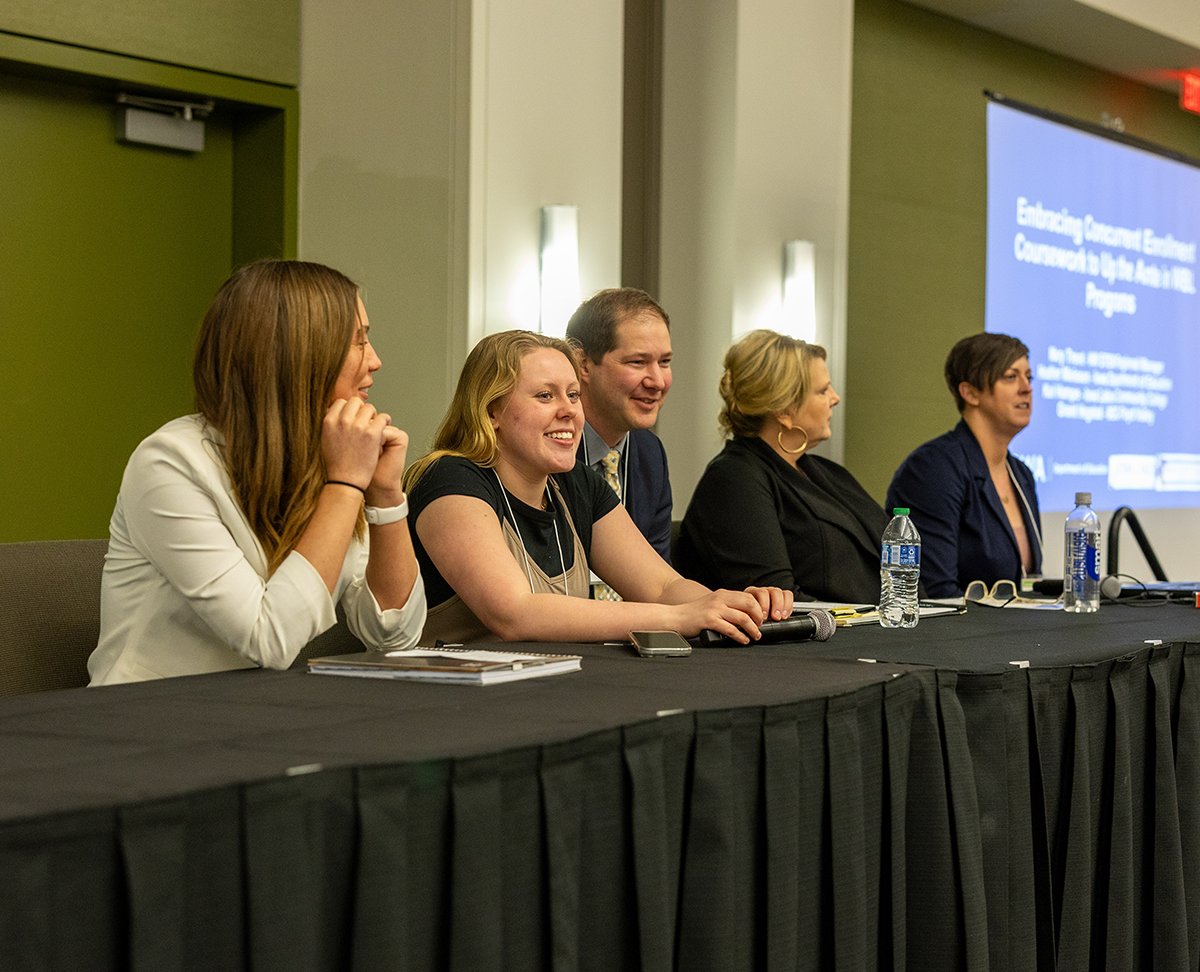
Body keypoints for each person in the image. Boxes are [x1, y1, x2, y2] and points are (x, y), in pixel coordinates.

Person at [89, 260, 426, 685]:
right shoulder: (169, 462)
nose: (375, 361)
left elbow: (394, 636)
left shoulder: (328, 457)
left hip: (259, 713)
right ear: (299, 354)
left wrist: (385, 496)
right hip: (145, 723)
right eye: (358, 342)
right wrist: (344, 486)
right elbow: (270, 640)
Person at [404, 330, 792, 644]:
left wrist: (731, 606)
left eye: (573, 395)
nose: (569, 410)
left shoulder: (575, 483)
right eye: (545, 395)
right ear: (491, 412)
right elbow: (515, 613)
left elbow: (661, 586)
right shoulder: (449, 479)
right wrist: (678, 618)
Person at [675, 329, 890, 604]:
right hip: (819, 642)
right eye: (823, 390)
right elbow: (778, 602)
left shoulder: (827, 473)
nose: (835, 398)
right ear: (784, 411)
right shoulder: (734, 480)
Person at [886, 332, 1043, 598]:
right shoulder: (933, 469)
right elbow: (937, 592)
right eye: (1010, 376)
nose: (1026, 387)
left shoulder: (1021, 474)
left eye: (1028, 377)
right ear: (970, 392)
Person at [566, 288, 674, 564]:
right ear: (583, 365)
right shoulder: (549, 449)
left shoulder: (651, 453)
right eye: (638, 362)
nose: (657, 381)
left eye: (664, 362)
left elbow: (659, 577)